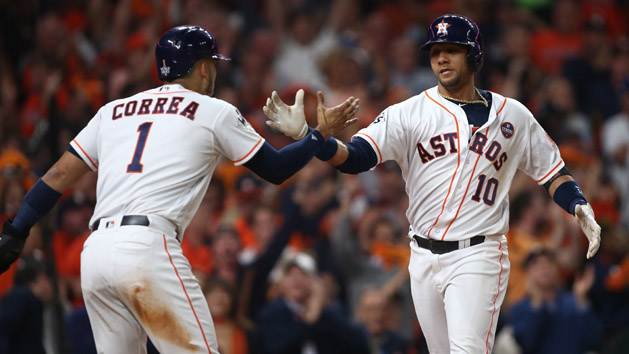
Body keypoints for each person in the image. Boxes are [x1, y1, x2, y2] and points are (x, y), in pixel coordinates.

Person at [0, 25, 358, 354]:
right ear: (203, 68)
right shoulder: (212, 110)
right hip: (145, 247)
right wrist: (317, 135)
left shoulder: (113, 110)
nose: (215, 72)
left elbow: (59, 174)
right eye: (212, 64)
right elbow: (277, 170)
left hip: (95, 255)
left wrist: (15, 231)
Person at [263, 14, 602, 353]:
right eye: (435, 51)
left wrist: (577, 203)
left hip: (478, 253)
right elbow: (355, 158)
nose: (441, 58)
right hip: (422, 254)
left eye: (452, 49)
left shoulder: (513, 115)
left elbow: (553, 172)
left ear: (475, 56)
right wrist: (311, 136)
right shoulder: (408, 112)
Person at [509, 248, 603, 354]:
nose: (544, 268)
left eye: (549, 262)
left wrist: (581, 298)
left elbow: (593, 339)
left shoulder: (572, 301)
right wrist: (536, 303)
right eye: (536, 264)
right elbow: (526, 344)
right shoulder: (520, 307)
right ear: (527, 273)